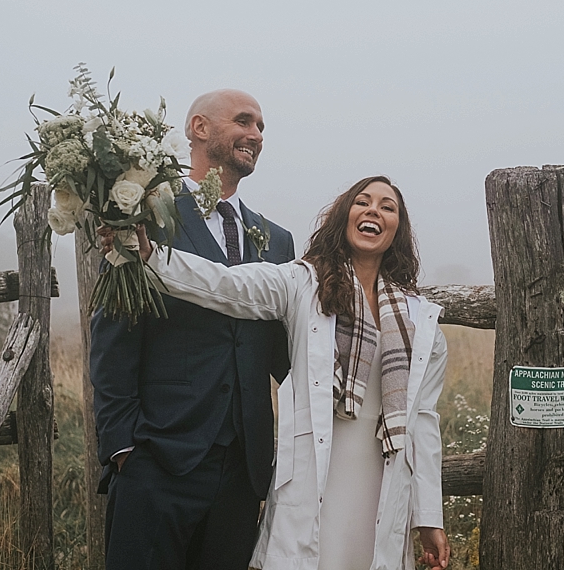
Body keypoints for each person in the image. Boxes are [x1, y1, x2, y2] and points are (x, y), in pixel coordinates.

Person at [124, 175, 451, 570]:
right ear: (344, 216)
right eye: (363, 202)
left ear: (398, 228)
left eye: (387, 206)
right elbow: (227, 286)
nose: (373, 211)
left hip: (382, 475)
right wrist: (152, 257)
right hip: (316, 473)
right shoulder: (303, 283)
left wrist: (429, 516)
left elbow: (424, 422)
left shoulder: (420, 319)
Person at [90, 89, 295, 570]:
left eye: (262, 127)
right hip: (158, 460)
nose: (256, 135)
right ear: (199, 128)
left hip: (243, 471)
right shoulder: (149, 218)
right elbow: (114, 335)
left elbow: (285, 354)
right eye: (243, 121)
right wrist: (124, 450)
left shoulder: (278, 240)